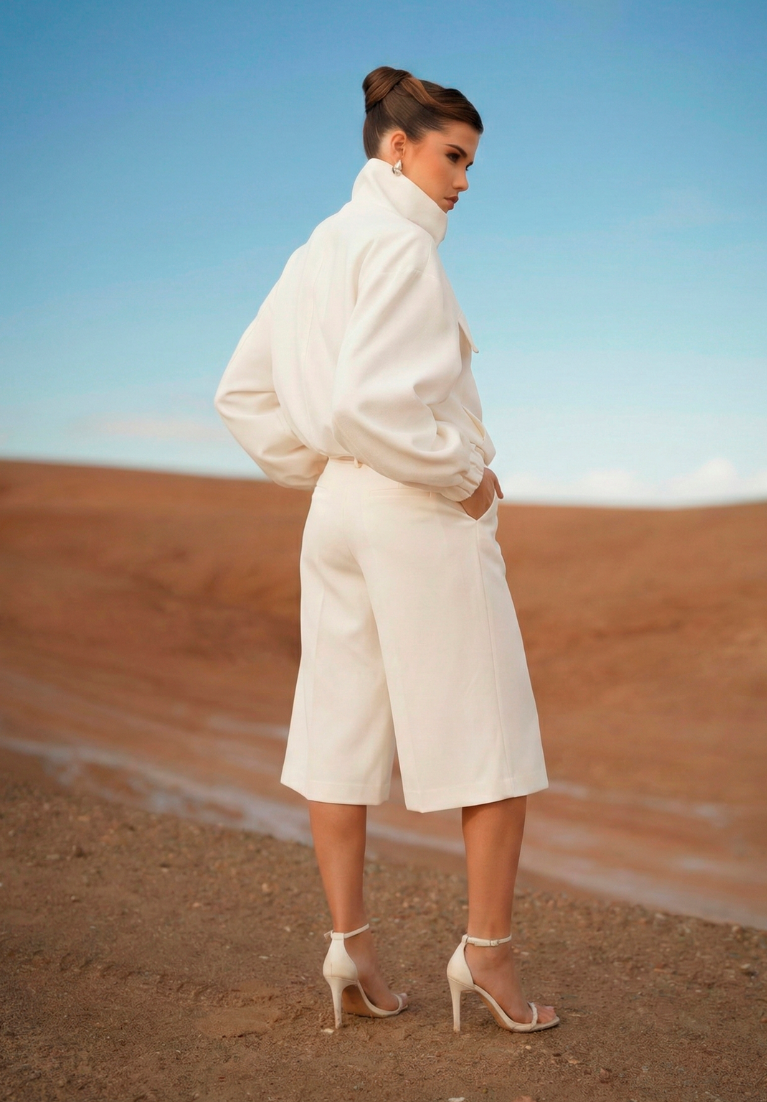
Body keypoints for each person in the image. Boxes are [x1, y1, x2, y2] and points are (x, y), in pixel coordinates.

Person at [214, 66, 558, 1035]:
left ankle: (350, 948)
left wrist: (326, 465)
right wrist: (464, 475)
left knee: (340, 724)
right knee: (492, 737)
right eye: (453, 157)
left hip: (337, 512)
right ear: (395, 147)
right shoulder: (403, 248)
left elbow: (240, 394)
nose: (463, 181)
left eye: (471, 163)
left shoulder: (316, 249)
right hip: (415, 512)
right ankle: (487, 957)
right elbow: (376, 404)